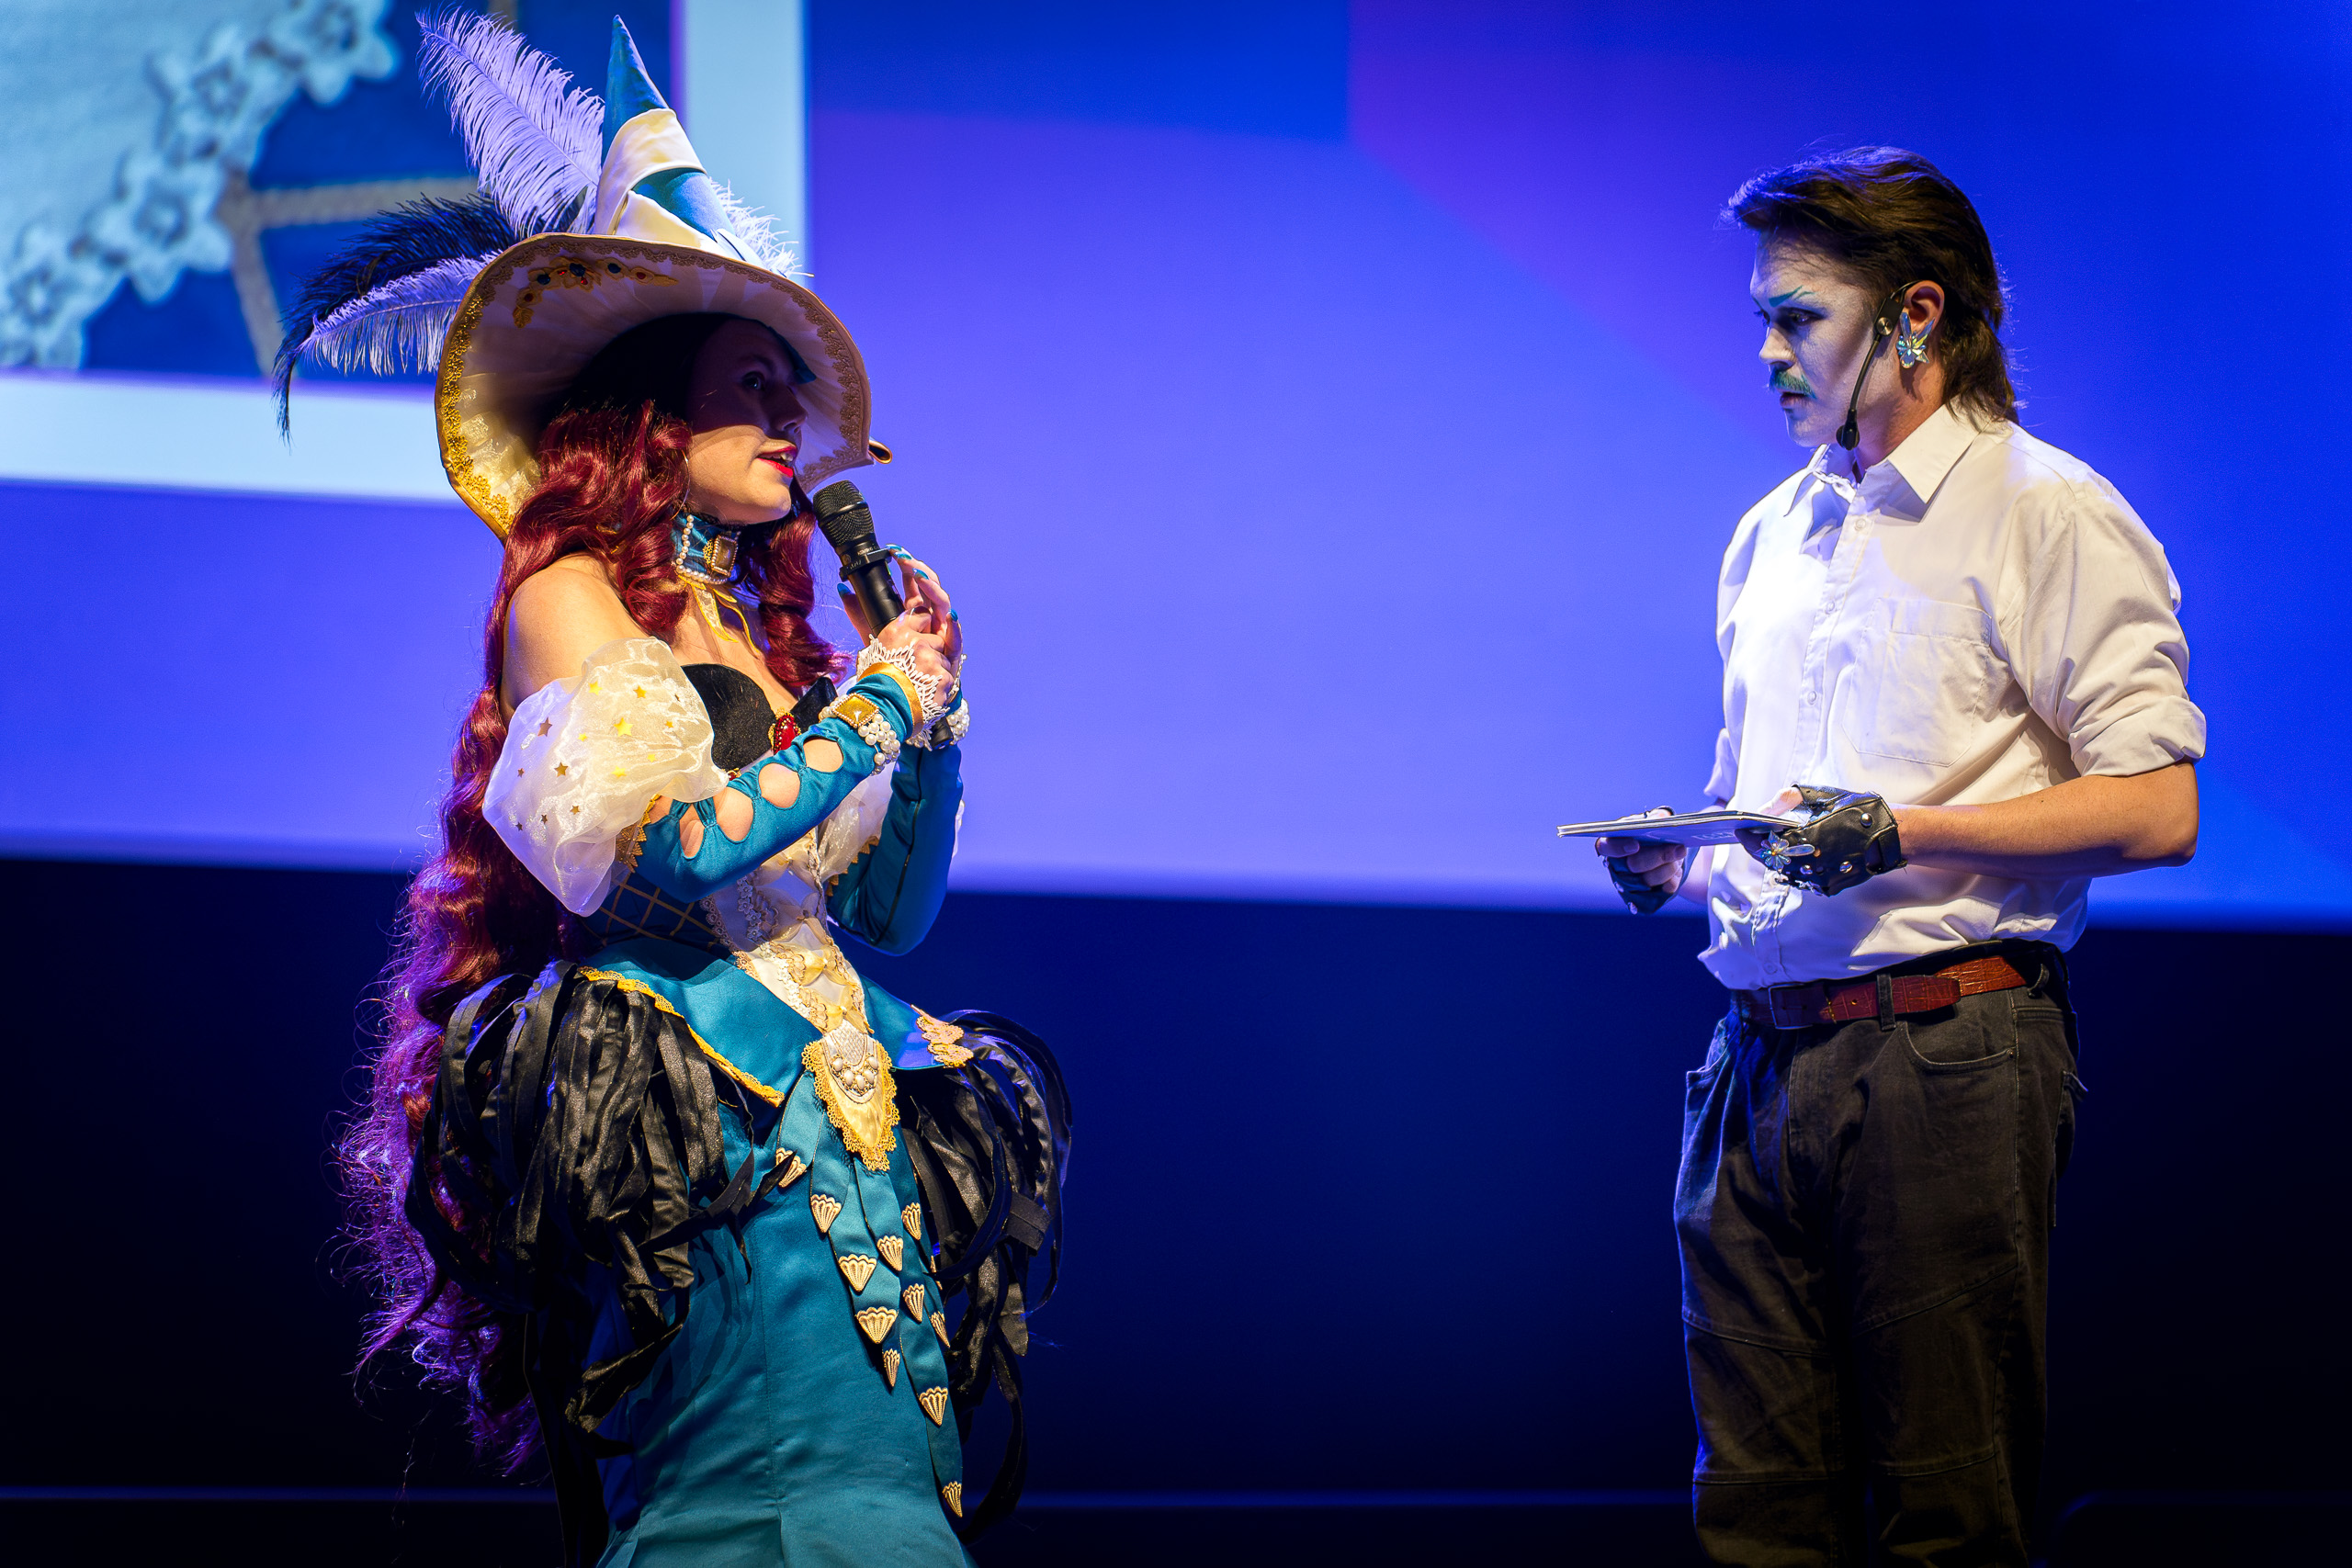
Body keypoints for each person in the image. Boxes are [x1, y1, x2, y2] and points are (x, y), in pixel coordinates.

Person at [291, 17, 1068, 1567]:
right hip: (697, 1113)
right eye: (751, 386)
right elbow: (673, 851)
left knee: (882, 1488)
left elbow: (891, 915)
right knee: (749, 1499)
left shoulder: (758, 639)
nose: (789, 424)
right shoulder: (567, 596)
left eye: (791, 392)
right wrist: (874, 712)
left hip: (840, 1097)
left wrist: (933, 723)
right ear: (657, 413)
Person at [1594, 149, 2203, 1565]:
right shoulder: (1774, 535)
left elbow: (2158, 809)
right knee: (1754, 1519)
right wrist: (1685, 865)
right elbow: (1778, 828)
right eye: (1763, 318)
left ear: (1916, 316)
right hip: (1754, 1063)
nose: (1767, 353)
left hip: (1944, 1056)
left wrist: (1903, 831)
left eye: (1796, 318)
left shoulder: (2046, 511)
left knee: (1946, 1517)